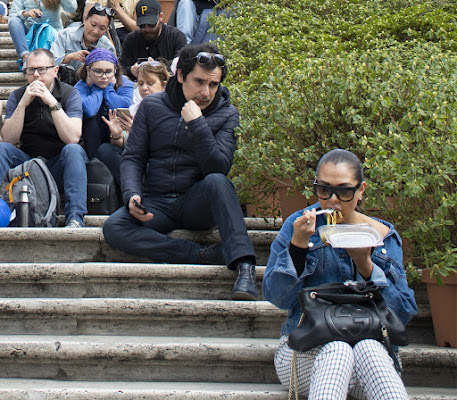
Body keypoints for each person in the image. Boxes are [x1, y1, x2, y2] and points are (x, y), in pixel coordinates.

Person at [103, 43, 259, 300]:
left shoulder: (227, 114)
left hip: (196, 202)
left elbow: (218, 167)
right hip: (157, 203)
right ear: (180, 76)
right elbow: (133, 156)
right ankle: (198, 254)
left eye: (213, 84)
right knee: (114, 228)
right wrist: (132, 195)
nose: (206, 92)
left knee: (219, 181)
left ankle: (244, 267)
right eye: (198, 82)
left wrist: (197, 124)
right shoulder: (152, 106)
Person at [263, 149, 418, 400]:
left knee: (368, 347)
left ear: (361, 190)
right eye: (323, 189)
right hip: (305, 353)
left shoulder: (382, 236)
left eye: (344, 191)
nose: (332, 200)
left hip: (370, 358)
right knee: (338, 349)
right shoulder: (299, 225)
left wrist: (366, 266)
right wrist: (298, 248)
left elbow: (403, 313)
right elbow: (277, 297)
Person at [0, 48, 87, 228]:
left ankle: (75, 219)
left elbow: (72, 137)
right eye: (30, 70)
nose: (36, 76)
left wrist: (51, 102)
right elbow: (8, 139)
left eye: (42, 70)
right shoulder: (18, 96)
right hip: (28, 165)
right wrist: (23, 104)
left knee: (74, 150)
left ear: (55, 71)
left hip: (59, 163)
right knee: (2, 149)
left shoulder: (70, 94)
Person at [97, 59, 169, 186]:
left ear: (164, 85)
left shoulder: (169, 110)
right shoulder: (135, 108)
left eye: (150, 83)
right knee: (106, 150)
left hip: (160, 165)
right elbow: (125, 145)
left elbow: (161, 148)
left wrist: (136, 131)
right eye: (141, 84)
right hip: (136, 162)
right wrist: (117, 135)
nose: (145, 88)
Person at [74, 48, 133, 159]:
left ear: (115, 71)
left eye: (108, 71)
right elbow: (89, 110)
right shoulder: (80, 87)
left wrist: (108, 88)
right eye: (98, 71)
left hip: (118, 137)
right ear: (88, 70)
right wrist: (97, 89)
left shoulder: (125, 83)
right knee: (91, 120)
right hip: (91, 139)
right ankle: (93, 162)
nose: (104, 76)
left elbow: (122, 107)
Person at [120, 0, 186, 81]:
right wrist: (131, 70)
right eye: (142, 25)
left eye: (151, 24)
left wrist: (159, 68)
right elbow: (122, 68)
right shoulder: (131, 39)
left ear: (160, 17)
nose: (147, 29)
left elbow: (181, 66)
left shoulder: (176, 37)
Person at [8, 0, 77, 68]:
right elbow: (12, 17)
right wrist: (25, 14)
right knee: (14, 21)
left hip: (53, 36)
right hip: (31, 36)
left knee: (76, 26)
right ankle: (26, 58)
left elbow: (72, 8)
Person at [50, 3, 115, 71]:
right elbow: (50, 63)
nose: (96, 31)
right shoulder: (65, 35)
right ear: (85, 19)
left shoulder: (108, 47)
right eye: (93, 25)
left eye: (102, 28)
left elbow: (112, 71)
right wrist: (69, 57)